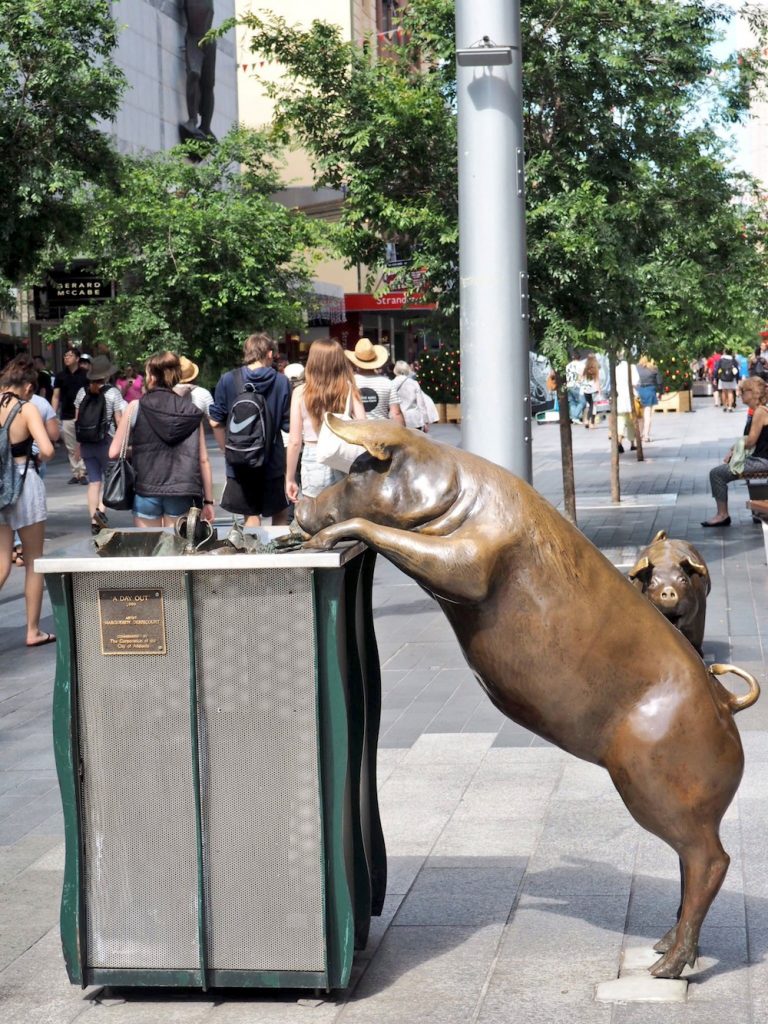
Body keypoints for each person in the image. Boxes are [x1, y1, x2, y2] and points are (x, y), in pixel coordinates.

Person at [110, 351, 214, 527]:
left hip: (146, 488)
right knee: (176, 550)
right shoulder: (192, 411)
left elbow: (113, 452)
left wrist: (137, 450)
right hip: (182, 490)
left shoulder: (136, 407)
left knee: (150, 549)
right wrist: (209, 502)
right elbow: (203, 459)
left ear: (151, 377)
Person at [0, 358, 56, 646]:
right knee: (34, 560)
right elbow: (46, 449)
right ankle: (33, 631)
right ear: (29, 386)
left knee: (1, 561)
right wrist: (36, 456)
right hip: (24, 484)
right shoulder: (27, 408)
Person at [209, 332, 291, 527]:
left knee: (250, 516)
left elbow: (215, 421)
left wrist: (226, 449)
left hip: (240, 460)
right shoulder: (281, 382)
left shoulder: (229, 379)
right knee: (280, 512)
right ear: (270, 353)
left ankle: (255, 553)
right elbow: (288, 424)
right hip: (273, 461)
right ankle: (276, 554)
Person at [285, 339, 365, 502]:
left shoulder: (300, 392)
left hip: (314, 457)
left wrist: (290, 478)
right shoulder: (349, 389)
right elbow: (364, 426)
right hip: (344, 457)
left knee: (315, 518)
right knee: (344, 517)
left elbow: (294, 441)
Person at [701, 376, 768, 527]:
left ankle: (722, 514)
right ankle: (722, 514)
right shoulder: (759, 411)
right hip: (760, 459)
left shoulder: (760, 412)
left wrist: (733, 450)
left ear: (752, 393)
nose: (740, 394)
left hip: (762, 461)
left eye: (743, 391)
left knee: (717, 474)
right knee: (719, 472)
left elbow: (751, 441)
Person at [74, 354, 125, 534]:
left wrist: (78, 445)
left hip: (87, 443)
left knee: (94, 482)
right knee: (110, 480)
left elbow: (77, 419)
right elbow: (119, 421)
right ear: (107, 375)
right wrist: (124, 443)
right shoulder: (113, 393)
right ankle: (101, 513)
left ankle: (92, 518)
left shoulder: (82, 392)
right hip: (107, 442)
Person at [345, 338, 404, 424]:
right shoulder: (387, 383)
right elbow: (396, 413)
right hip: (383, 430)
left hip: (357, 432)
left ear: (355, 361)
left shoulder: (350, 382)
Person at [51, 347, 88, 484]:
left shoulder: (85, 375)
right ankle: (76, 472)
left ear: (77, 359)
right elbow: (56, 396)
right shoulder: (60, 376)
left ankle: (83, 472)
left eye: (70, 355)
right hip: (66, 414)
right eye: (65, 356)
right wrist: (52, 414)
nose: (66, 358)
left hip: (84, 414)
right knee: (71, 446)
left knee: (82, 443)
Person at [392, 360, 431, 431]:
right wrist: (426, 421)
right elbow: (421, 404)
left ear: (395, 370)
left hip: (397, 420)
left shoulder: (391, 384)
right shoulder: (414, 383)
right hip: (414, 420)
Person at [614, 357, 639, 454]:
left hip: (619, 398)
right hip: (629, 398)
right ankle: (632, 443)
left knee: (620, 421)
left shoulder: (616, 368)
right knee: (631, 422)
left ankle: (619, 442)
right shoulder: (631, 367)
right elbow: (636, 382)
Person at [635, 356, 661, 442]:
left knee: (639, 415)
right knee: (648, 414)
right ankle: (646, 435)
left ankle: (640, 434)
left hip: (639, 390)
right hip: (650, 390)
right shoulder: (653, 368)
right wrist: (660, 392)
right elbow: (659, 381)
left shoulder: (636, 368)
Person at [579, 354, 601, 428]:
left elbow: (580, 378)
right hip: (594, 389)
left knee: (589, 405)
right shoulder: (595, 368)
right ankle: (591, 422)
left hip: (586, 390)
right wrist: (599, 390)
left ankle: (587, 420)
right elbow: (597, 380)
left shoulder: (585, 368)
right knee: (593, 406)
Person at [565, 355, 586, 424]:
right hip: (577, 385)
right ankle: (575, 416)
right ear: (579, 358)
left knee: (572, 402)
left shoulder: (568, 365)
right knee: (582, 402)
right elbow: (583, 375)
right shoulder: (581, 365)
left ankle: (575, 418)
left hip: (569, 385)